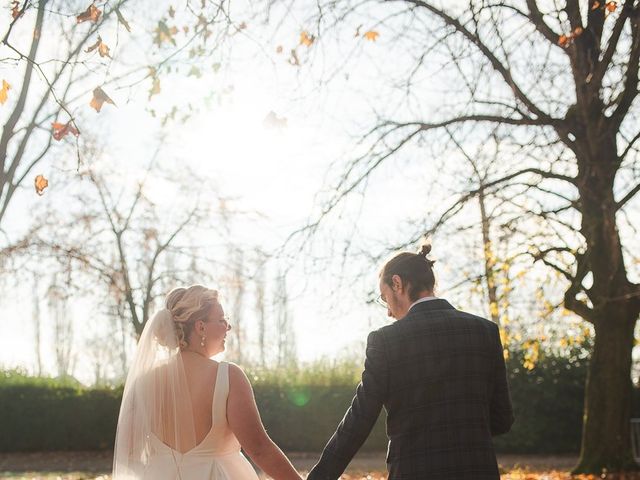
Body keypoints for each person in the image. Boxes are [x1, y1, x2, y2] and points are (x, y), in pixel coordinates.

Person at [307, 245, 514, 480]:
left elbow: (359, 419)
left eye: (384, 298)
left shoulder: (386, 341)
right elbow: (502, 419)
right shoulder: (485, 331)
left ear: (397, 283)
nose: (388, 312)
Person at [113, 285, 301, 480]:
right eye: (221, 320)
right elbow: (260, 449)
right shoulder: (229, 376)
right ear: (200, 326)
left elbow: (126, 453)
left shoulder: (145, 381)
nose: (228, 327)